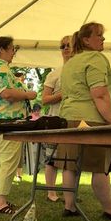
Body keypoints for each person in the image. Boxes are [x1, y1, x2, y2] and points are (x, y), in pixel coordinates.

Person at [58, 22, 111, 221]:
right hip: (91, 120)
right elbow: (100, 95)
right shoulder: (96, 58)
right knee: (100, 167)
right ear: (86, 39)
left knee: (69, 164)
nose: (103, 39)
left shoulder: (70, 62)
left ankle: (69, 207)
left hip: (68, 118)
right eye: (99, 35)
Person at [0, 36, 37, 213]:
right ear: (2, 50)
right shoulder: (1, 67)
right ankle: (1, 202)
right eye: (12, 49)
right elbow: (6, 93)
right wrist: (28, 94)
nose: (14, 53)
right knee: (8, 161)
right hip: (8, 120)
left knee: (0, 161)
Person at [42, 35, 71, 202]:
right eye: (62, 46)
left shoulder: (83, 72)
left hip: (75, 120)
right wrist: (62, 94)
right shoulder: (54, 73)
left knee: (71, 159)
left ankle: (70, 192)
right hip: (56, 119)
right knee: (51, 158)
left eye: (69, 45)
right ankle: (51, 192)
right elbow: (44, 100)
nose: (66, 48)